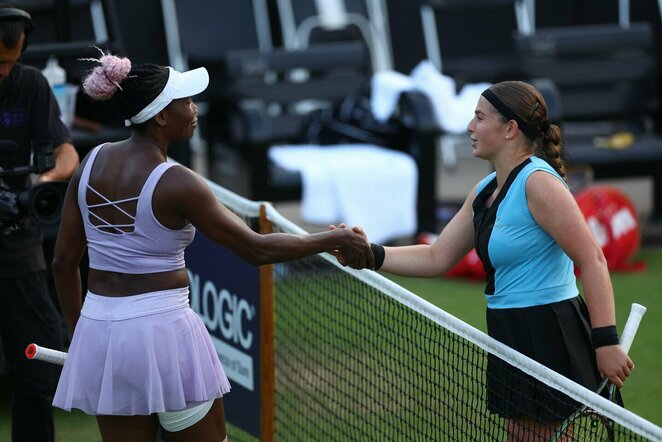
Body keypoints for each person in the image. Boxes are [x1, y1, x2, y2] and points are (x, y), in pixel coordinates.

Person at [50, 51, 373, 442]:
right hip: (164, 334)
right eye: (185, 101)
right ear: (161, 116)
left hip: (102, 335)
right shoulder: (178, 182)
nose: (194, 108)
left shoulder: (89, 163)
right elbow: (256, 249)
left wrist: (81, 336)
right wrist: (333, 238)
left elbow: (63, 262)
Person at [336, 80, 634, 440]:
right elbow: (436, 256)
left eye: (479, 118)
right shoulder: (485, 190)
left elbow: (593, 259)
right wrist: (370, 254)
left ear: (510, 129)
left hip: (548, 332)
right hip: (509, 330)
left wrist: (606, 342)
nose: (469, 127)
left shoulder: (539, 184)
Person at [0, 4, 79, 441]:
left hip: (19, 250)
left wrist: (39, 185)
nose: (5, 71)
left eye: (12, 60)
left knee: (36, 370)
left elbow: (68, 154)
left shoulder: (30, 84)